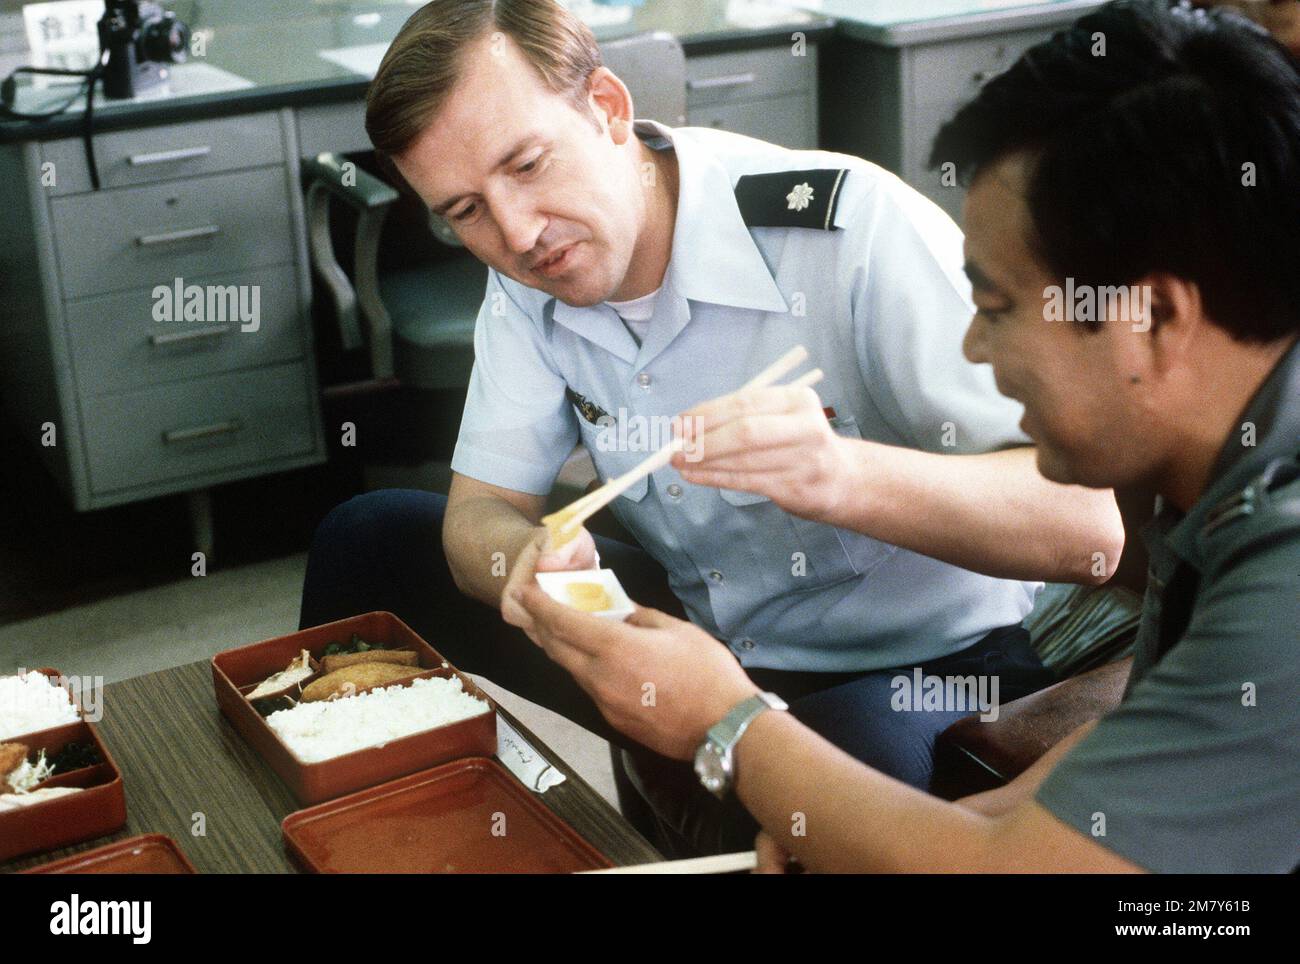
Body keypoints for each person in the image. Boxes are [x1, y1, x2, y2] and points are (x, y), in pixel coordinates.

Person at [299, 0, 1122, 853]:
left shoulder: (852, 233)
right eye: (465, 210)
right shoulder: (527, 277)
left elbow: (1086, 530)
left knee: (795, 812)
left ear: (609, 109)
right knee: (369, 537)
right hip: (702, 628)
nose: (517, 233)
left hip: (925, 664)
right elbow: (477, 516)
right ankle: (346, 834)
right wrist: (526, 560)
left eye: (530, 165)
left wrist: (842, 476)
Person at [508, 0, 1300, 872]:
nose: (971, 346)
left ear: (1151, 316)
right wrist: (955, 820)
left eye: (996, 309)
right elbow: (1152, 748)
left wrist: (727, 720)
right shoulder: (1228, 486)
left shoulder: (1284, 570)